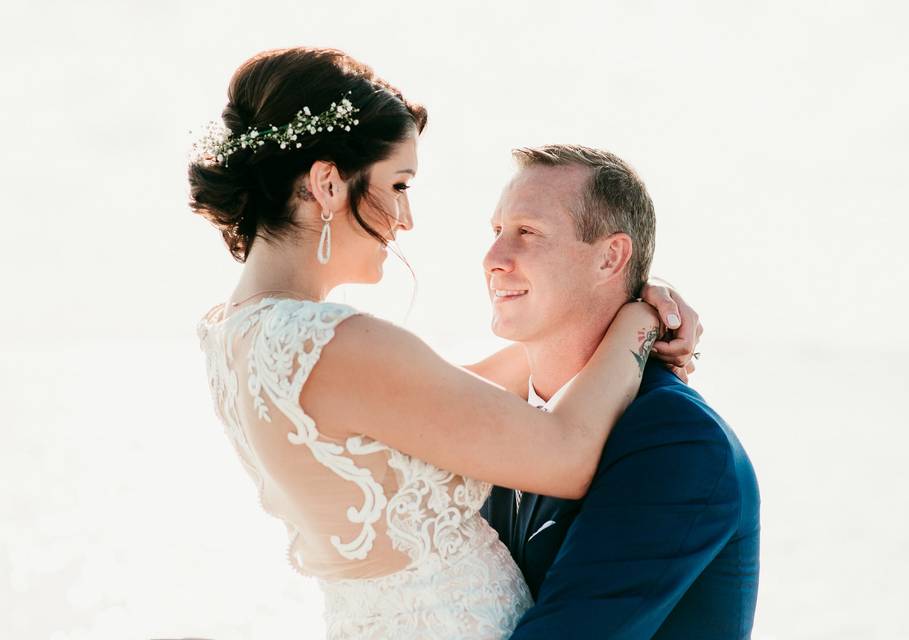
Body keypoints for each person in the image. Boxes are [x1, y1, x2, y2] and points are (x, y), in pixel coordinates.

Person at [189, 48, 701, 639]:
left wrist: (612, 303)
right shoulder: (334, 341)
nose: (405, 217)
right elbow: (565, 454)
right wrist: (638, 321)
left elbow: (455, 396)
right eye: (398, 184)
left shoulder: (235, 334)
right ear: (328, 183)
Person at [479, 145, 760, 639]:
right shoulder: (496, 413)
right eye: (497, 232)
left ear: (611, 257)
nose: (493, 259)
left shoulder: (678, 441)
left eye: (527, 232)